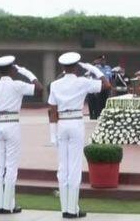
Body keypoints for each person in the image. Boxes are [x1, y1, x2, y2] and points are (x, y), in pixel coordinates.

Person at [48, 52, 111, 219]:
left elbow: (52, 110)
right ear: (77, 67)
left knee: (63, 167)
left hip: (61, 124)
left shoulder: (55, 84)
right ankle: (72, 210)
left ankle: (66, 209)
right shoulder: (82, 82)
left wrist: (52, 134)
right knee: (74, 168)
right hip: (75, 122)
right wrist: (92, 68)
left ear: (62, 67)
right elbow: (106, 85)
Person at [0, 55, 42, 214]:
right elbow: (39, 88)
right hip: (12, 124)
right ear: (12, 69)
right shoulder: (17, 85)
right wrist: (27, 72)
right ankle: (8, 205)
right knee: (11, 167)